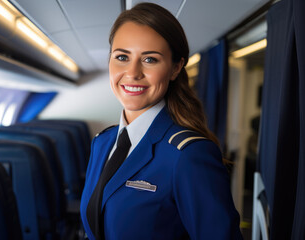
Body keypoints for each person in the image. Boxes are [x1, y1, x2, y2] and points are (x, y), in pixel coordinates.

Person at [80, 3, 243, 240]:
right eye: (122, 57)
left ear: (176, 68)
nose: (133, 72)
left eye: (150, 60)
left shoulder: (188, 155)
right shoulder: (102, 143)